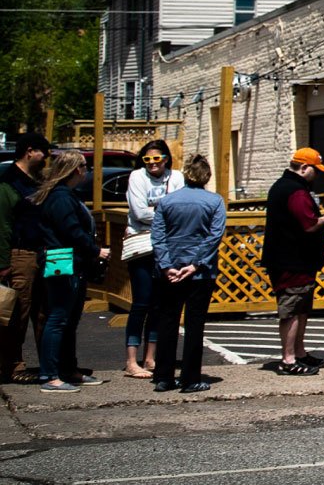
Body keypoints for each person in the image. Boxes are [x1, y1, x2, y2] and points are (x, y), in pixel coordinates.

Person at [32, 150, 111, 392]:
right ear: (76, 169)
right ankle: (49, 375)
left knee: (69, 319)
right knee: (58, 318)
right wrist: (95, 250)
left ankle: (68, 370)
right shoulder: (61, 197)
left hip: (69, 261)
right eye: (85, 166)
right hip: (62, 261)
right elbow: (71, 230)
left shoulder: (64, 195)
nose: (87, 171)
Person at [150, 155, 225, 394]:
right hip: (200, 274)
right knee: (195, 324)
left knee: (168, 322)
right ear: (207, 176)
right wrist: (196, 264)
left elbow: (158, 237)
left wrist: (166, 265)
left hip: (170, 269)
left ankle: (164, 376)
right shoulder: (214, 202)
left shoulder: (167, 201)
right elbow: (214, 237)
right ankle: (191, 377)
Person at [260, 147, 324, 375]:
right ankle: (288, 358)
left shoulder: (283, 186)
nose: (318, 174)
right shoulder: (294, 191)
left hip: (295, 261)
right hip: (291, 260)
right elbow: (309, 224)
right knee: (292, 310)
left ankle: (300, 353)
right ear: (304, 168)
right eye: (316, 169)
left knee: (301, 308)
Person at [122, 139, 183, 379]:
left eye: (157, 159)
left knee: (159, 303)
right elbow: (138, 212)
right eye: (147, 159)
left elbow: (177, 207)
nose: (152, 164)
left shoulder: (176, 177)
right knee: (141, 302)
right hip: (141, 246)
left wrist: (158, 213)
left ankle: (150, 357)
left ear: (166, 159)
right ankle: (130, 360)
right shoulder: (137, 177)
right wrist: (166, 214)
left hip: (166, 248)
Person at [0, 132, 49, 383]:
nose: (46, 158)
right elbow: (3, 225)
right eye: (44, 152)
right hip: (20, 254)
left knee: (43, 311)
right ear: (30, 151)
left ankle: (48, 364)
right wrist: (3, 264)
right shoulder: (9, 182)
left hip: (42, 252)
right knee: (18, 311)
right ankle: (13, 366)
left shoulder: (38, 180)